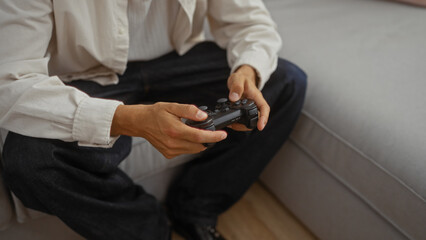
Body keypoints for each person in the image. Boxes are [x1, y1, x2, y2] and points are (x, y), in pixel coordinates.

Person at [0, 1, 307, 239]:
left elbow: (251, 23)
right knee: (30, 159)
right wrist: (126, 119)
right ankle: (149, 232)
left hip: (176, 59)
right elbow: (10, 82)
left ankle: (194, 209)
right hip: (86, 76)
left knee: (286, 82)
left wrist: (247, 71)